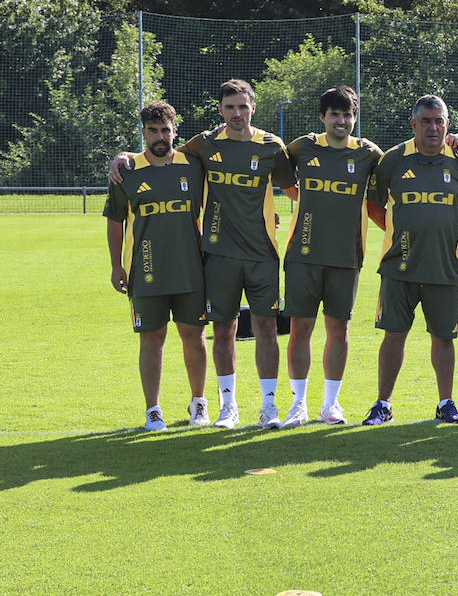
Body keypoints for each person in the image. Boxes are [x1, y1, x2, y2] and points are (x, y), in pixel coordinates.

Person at [112, 79, 295, 429]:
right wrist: (122, 157)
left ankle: (269, 406)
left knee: (266, 328)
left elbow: (293, 187)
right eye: (230, 107)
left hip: (262, 255)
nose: (237, 113)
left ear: (253, 107)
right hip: (218, 255)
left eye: (243, 106)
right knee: (223, 330)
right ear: (221, 111)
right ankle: (229, 407)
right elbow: (161, 151)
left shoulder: (273, 146)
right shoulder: (204, 145)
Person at [361, 95, 458, 425]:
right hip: (399, 266)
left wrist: (450, 235)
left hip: (444, 266)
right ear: (414, 124)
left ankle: (446, 403)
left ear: (447, 124)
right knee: (394, 335)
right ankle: (382, 405)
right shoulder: (394, 159)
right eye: (426, 121)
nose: (433, 127)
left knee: (444, 337)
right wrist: (400, 233)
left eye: (439, 121)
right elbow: (374, 206)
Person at [279, 86, 384, 426]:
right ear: (323, 117)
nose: (342, 120)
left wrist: (452, 143)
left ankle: (331, 404)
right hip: (303, 254)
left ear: (355, 118)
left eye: (347, 114)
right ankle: (299, 404)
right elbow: (276, 169)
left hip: (347, 257)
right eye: (335, 114)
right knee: (300, 330)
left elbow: (406, 161)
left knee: (339, 329)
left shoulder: (368, 153)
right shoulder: (303, 147)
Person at [105, 102, 209, 430]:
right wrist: (115, 266)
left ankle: (199, 404)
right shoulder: (127, 171)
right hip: (145, 271)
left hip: (192, 269)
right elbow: (115, 220)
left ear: (175, 130)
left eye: (166, 130)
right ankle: (153, 410)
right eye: (153, 131)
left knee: (194, 335)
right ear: (144, 132)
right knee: (152, 338)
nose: (160, 137)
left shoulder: (194, 165)